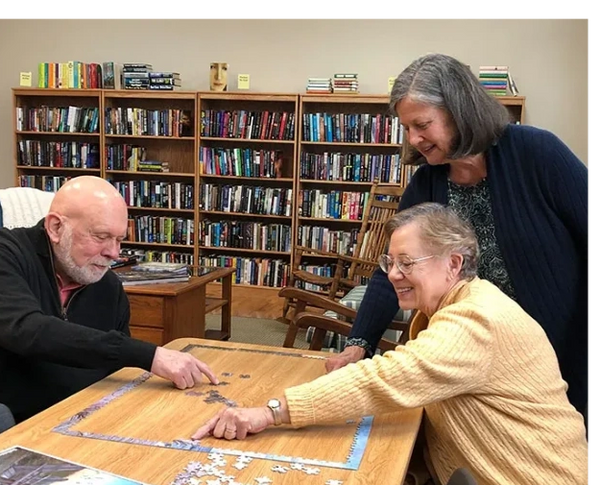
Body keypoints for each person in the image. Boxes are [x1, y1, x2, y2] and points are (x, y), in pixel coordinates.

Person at [192, 203, 589, 485]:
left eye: (407, 262)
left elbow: (384, 378)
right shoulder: (446, 307)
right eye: (389, 262)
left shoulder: (476, 319)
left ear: (453, 263)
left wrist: (270, 412)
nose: (394, 274)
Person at [325, 53, 591, 418]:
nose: (413, 138)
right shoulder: (426, 184)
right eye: (406, 128)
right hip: (471, 360)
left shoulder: (537, 153)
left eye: (422, 124)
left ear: (459, 111)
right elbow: (393, 273)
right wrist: (359, 344)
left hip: (559, 356)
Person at [0, 176, 219, 425]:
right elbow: (27, 330)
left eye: (118, 239)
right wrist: (148, 355)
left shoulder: (108, 286)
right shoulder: (8, 253)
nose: (113, 253)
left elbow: (116, 372)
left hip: (84, 422)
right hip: (18, 426)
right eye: (101, 236)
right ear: (56, 228)